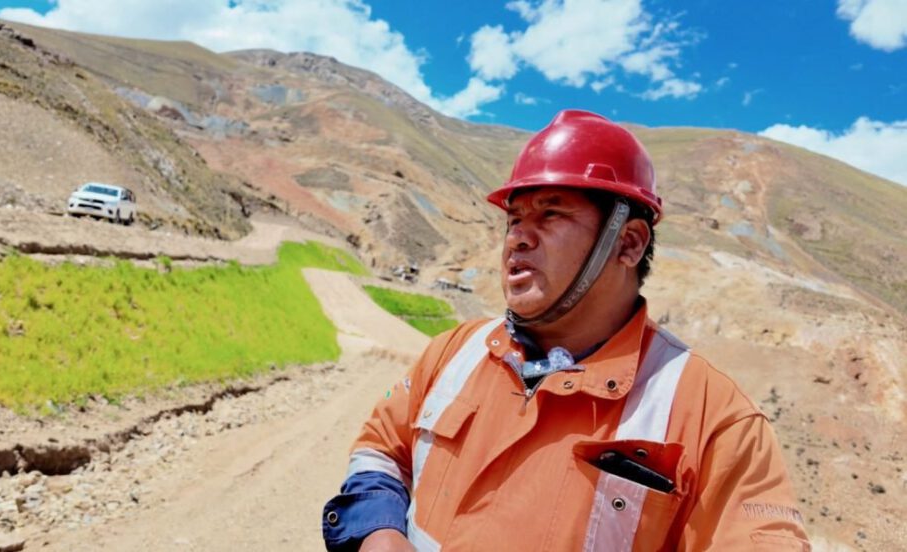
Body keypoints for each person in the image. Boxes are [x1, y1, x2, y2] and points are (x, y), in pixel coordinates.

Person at [322, 110, 810, 551]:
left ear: (629, 243)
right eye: (514, 219)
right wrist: (378, 533)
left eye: (550, 213)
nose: (518, 237)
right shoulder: (454, 351)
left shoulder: (713, 420)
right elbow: (380, 448)